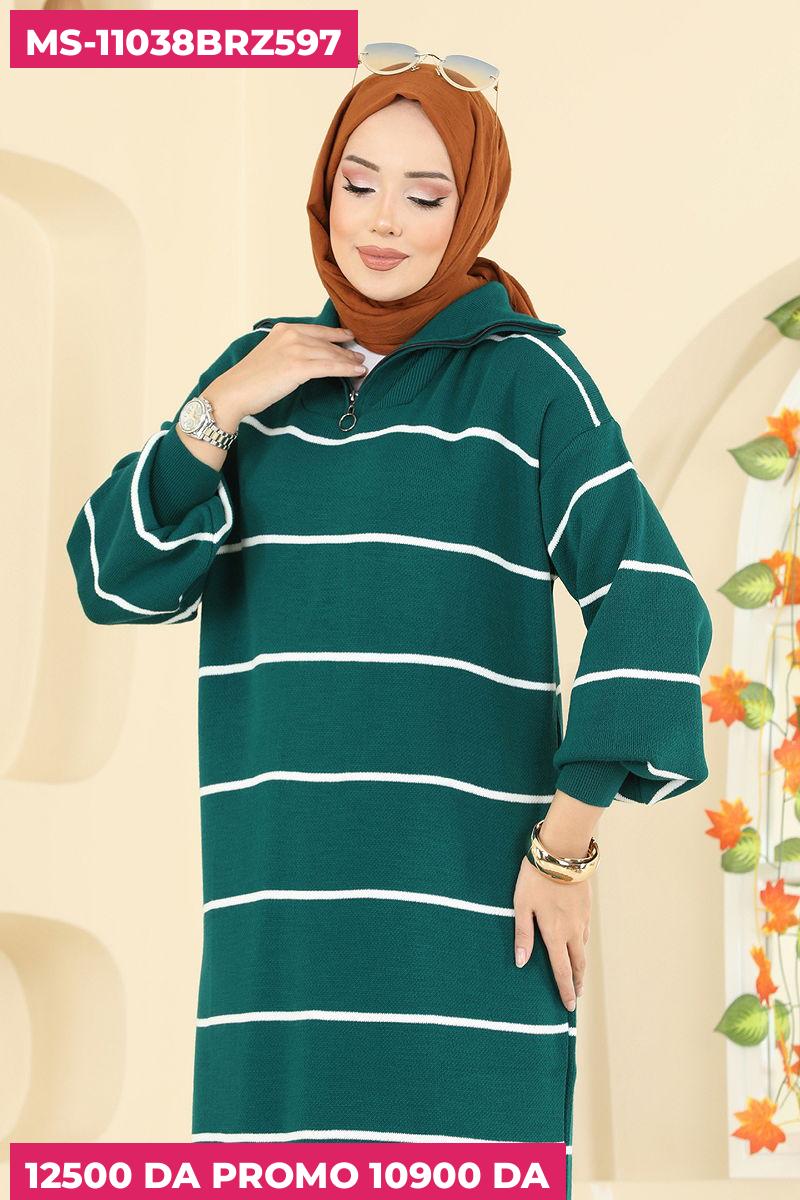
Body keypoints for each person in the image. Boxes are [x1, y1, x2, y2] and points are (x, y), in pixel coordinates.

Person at [66, 60, 712, 1197]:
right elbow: (117, 581)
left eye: (424, 195)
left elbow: (652, 597)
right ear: (324, 191)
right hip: (278, 941)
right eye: (359, 184)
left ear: (472, 209)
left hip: (466, 921)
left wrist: (566, 843)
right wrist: (220, 408)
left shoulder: (529, 381)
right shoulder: (262, 374)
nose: (381, 221)